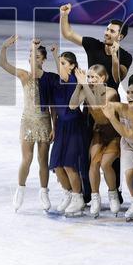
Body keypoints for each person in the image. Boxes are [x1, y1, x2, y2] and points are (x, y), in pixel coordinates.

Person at [0, 36, 54, 212]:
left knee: (42, 160)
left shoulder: (48, 79)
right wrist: (4, 47)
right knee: (27, 158)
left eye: (37, 56)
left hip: (45, 121)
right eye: (31, 55)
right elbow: (3, 65)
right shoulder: (24, 75)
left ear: (43, 60)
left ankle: (44, 192)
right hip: (28, 121)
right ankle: (20, 189)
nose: (33, 58)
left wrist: (54, 126)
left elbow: (53, 106)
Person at [39, 47, 86, 216]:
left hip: (74, 126)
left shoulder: (73, 79)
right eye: (59, 63)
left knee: (69, 164)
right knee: (57, 165)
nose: (59, 66)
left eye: (63, 63)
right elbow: (53, 107)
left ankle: (77, 198)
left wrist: (54, 54)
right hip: (61, 126)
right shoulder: (58, 82)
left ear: (72, 66)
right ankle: (68, 193)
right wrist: (53, 126)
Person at [71, 65, 122, 217]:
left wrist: (85, 86)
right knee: (94, 163)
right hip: (98, 132)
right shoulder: (87, 90)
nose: (91, 80)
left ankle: (113, 194)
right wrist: (80, 85)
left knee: (106, 164)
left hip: (114, 133)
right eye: (89, 77)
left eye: (94, 77)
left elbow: (97, 105)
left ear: (103, 78)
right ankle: (95, 198)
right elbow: (72, 105)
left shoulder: (111, 92)